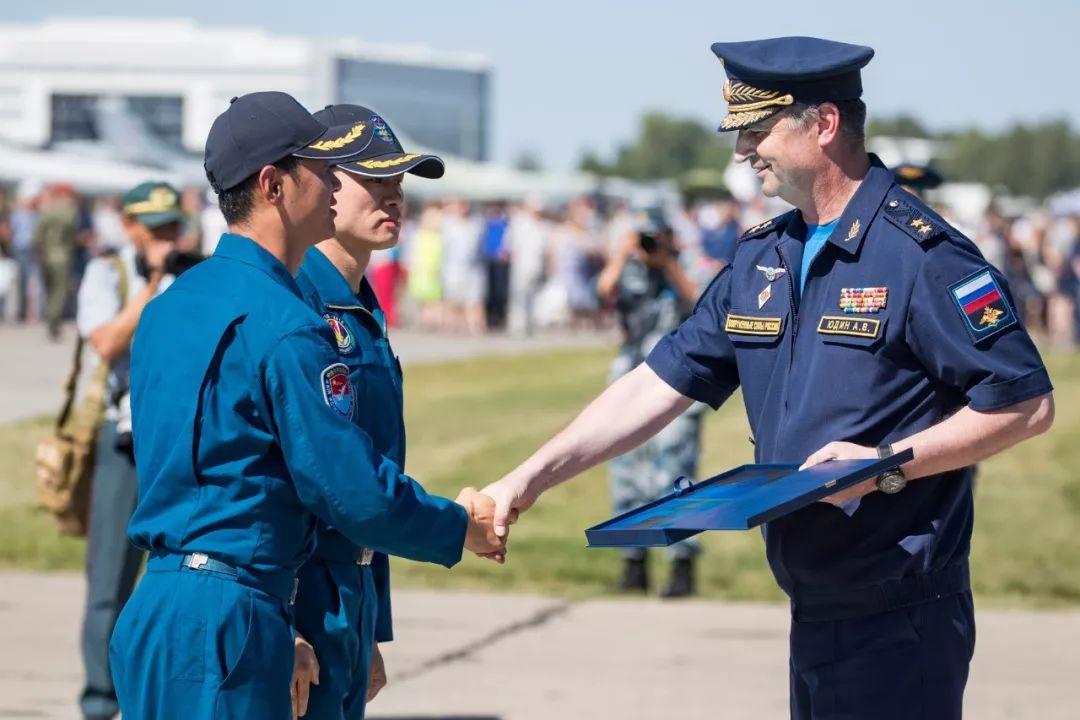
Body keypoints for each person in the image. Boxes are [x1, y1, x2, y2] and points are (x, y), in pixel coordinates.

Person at [483, 37, 1054, 719]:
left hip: (900, 616)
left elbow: (1023, 404)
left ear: (824, 125)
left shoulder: (922, 256)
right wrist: (528, 478)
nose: (741, 151)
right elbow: (657, 384)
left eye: (756, 130)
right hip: (813, 604)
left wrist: (886, 464)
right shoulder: (765, 256)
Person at [109, 91, 505, 720]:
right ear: (272, 184)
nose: (332, 187)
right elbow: (351, 491)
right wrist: (461, 528)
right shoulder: (288, 324)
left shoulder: (169, 308)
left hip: (164, 605)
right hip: (234, 616)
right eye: (321, 172)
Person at [290, 103, 453, 720]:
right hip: (296, 593)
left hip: (346, 597)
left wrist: (371, 627)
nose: (394, 196)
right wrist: (279, 624)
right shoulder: (296, 303)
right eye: (374, 180)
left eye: (399, 182)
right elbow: (266, 481)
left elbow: (372, 470)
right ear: (318, 186)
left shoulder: (359, 306)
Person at [75, 181, 189, 720]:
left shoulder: (196, 272)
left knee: (185, 573)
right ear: (130, 227)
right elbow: (106, 342)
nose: (165, 237)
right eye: (155, 228)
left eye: (172, 226)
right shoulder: (109, 273)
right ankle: (101, 702)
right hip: (123, 439)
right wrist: (151, 283)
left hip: (183, 437)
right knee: (111, 579)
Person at [595, 210, 704, 597]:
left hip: (678, 383)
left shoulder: (684, 263)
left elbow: (703, 301)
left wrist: (668, 264)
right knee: (626, 467)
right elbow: (602, 293)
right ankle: (634, 560)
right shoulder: (629, 268)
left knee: (676, 471)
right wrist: (623, 256)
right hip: (630, 377)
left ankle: (681, 565)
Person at [36, 183, 79, 339]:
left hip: (46, 255)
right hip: (62, 256)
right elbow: (72, 235)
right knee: (59, 291)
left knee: (49, 289)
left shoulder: (47, 210)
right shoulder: (69, 211)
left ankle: (50, 318)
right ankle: (53, 321)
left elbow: (38, 234)